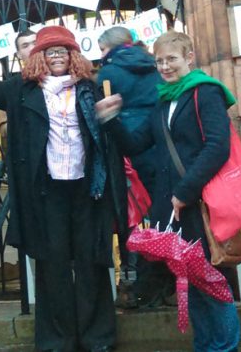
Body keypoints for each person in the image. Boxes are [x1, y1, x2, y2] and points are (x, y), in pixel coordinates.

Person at [0, 19, 117, 352]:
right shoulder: (21, 90)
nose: (57, 56)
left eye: (63, 50)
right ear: (39, 56)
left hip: (88, 188)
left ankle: (96, 337)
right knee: (52, 265)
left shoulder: (89, 87)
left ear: (73, 54)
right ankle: (57, 340)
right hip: (46, 191)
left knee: (90, 263)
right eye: (50, 51)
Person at [95, 31, 241, 351]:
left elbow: (217, 146)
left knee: (213, 284)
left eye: (172, 59)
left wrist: (185, 191)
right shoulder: (165, 100)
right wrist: (110, 119)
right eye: (159, 61)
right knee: (194, 282)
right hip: (174, 207)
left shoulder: (205, 92)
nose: (165, 66)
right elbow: (136, 143)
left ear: (189, 57)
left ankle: (225, 347)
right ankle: (206, 346)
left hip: (199, 202)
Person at [97, 26, 168, 308]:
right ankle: (164, 281)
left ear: (109, 48)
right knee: (160, 215)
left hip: (126, 148)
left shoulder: (108, 72)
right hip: (158, 145)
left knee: (132, 219)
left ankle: (136, 282)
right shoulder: (155, 66)